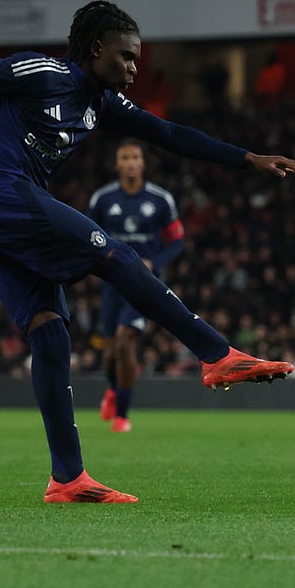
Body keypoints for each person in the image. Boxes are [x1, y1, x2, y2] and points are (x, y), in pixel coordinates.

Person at [0, 0, 295, 503]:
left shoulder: (102, 103)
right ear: (96, 50)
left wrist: (249, 159)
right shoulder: (42, 71)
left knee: (50, 335)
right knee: (113, 253)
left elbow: (170, 135)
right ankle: (216, 353)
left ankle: (68, 478)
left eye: (138, 59)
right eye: (126, 57)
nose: (135, 68)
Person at [89, 139, 186, 434]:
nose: (130, 162)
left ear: (143, 163)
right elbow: (86, 236)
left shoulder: (160, 199)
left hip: (144, 284)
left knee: (124, 340)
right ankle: (113, 389)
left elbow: (177, 240)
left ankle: (122, 415)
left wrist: (153, 263)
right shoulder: (102, 199)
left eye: (135, 157)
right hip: (111, 284)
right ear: (117, 164)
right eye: (125, 157)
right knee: (110, 351)